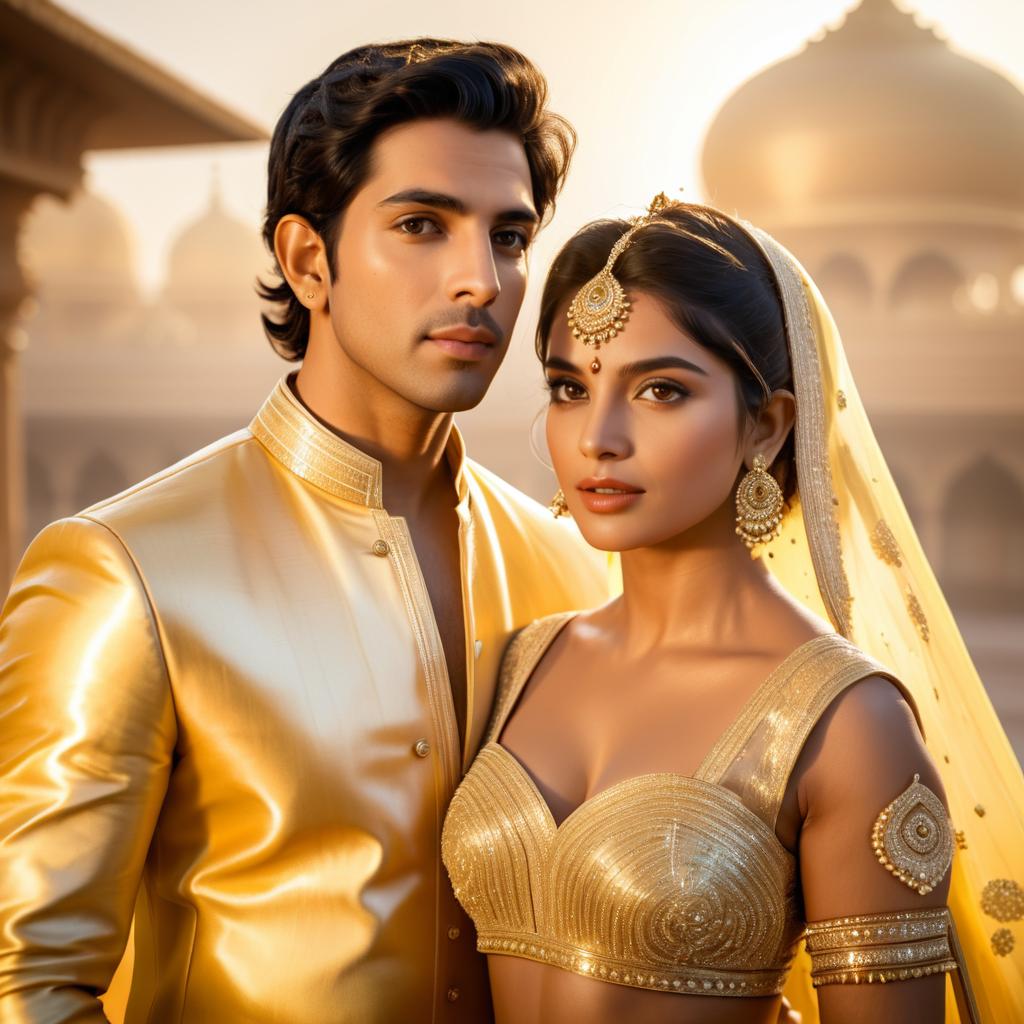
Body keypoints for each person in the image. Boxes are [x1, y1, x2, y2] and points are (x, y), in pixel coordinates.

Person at [0, 40, 608, 1023]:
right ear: (306, 259)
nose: (481, 281)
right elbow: (25, 979)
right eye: (422, 224)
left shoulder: (574, 564)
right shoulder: (126, 573)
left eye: (508, 237)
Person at [442, 196, 1024, 1023]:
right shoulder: (524, 659)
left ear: (767, 426)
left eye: (662, 391)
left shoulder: (846, 725)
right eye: (570, 387)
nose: (598, 437)